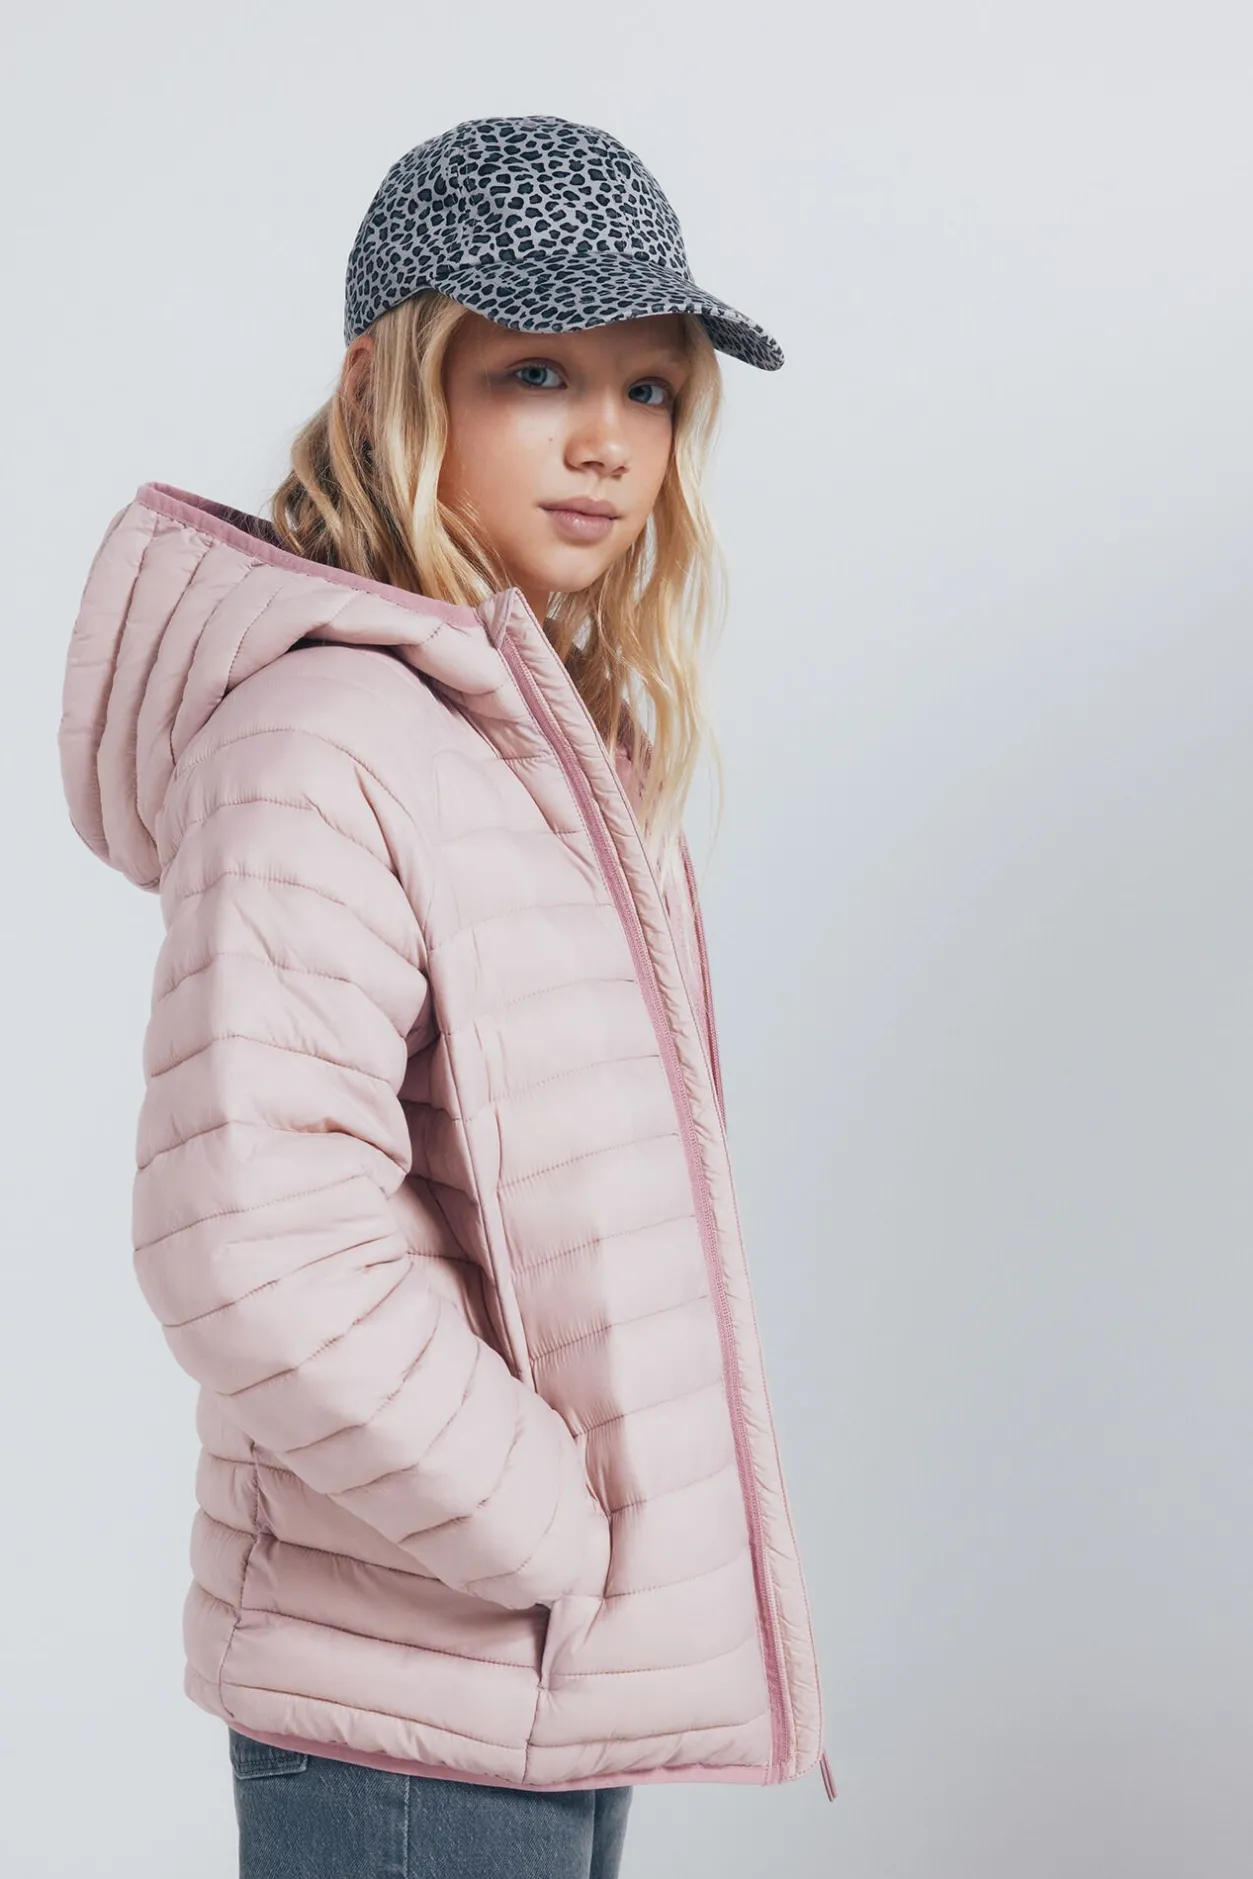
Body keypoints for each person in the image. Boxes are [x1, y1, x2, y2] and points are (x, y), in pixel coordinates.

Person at [58, 113, 834, 1879]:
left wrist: (577, 1567)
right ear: (384, 384)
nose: (607, 439)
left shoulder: (530, 752)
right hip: (423, 1682)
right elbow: (252, 1243)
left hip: (526, 1678)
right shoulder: (323, 737)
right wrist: (544, 1529)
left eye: (650, 388)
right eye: (538, 371)